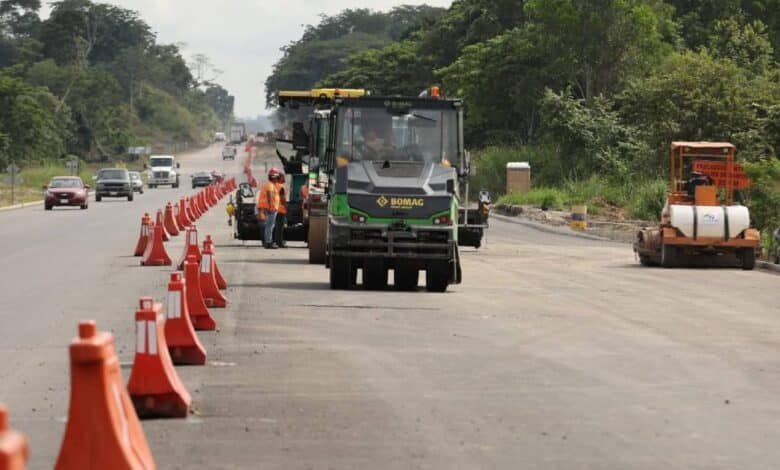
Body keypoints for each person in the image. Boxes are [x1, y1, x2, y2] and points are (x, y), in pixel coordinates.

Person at [256, 168, 281, 249]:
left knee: (269, 226)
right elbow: (269, 196)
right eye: (277, 177)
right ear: (274, 177)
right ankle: (268, 242)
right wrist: (271, 207)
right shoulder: (270, 185)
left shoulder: (270, 185)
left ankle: (268, 241)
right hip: (270, 208)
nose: (278, 179)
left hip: (269, 208)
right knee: (269, 226)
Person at [273, 175, 288, 248]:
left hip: (274, 208)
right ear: (281, 178)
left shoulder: (273, 185)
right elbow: (282, 199)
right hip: (280, 209)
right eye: (283, 177)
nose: (284, 179)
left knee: (274, 226)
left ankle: (274, 241)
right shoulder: (281, 187)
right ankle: (279, 242)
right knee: (280, 227)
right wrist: (286, 206)